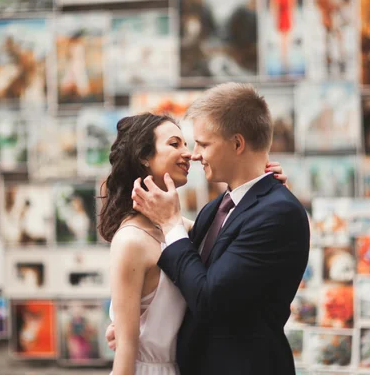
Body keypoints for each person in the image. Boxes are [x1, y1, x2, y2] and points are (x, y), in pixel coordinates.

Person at [127, 83, 310, 375]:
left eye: (203, 144)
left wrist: (171, 222)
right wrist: (134, 329)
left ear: (237, 144)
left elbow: (208, 299)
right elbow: (186, 281)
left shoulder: (279, 213)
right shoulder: (216, 207)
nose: (195, 155)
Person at [99, 112, 287, 375]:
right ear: (143, 156)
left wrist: (264, 182)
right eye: (175, 144)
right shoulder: (131, 241)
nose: (189, 154)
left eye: (189, 144)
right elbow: (126, 350)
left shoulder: (187, 228)